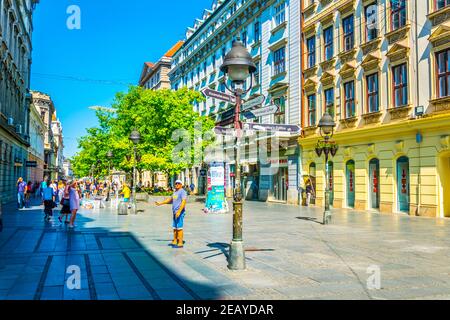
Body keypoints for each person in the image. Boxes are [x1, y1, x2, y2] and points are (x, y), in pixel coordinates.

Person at [155, 180, 187, 248]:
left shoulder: (182, 192)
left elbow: (183, 202)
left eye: (179, 183)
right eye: (176, 183)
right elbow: (170, 200)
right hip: (174, 212)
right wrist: (160, 203)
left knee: (179, 227)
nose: (177, 184)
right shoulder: (175, 192)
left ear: (181, 185)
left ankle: (180, 242)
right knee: (174, 227)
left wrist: (179, 211)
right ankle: (175, 240)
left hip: (179, 212)